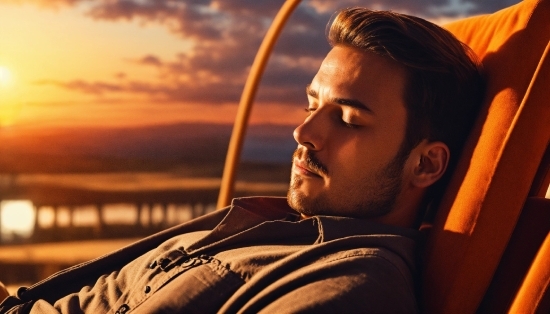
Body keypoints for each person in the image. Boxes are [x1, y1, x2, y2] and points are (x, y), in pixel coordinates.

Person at [0, 7, 484, 314]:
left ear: (425, 165)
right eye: (312, 105)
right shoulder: (280, 227)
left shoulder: (353, 284)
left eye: (350, 120)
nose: (303, 132)